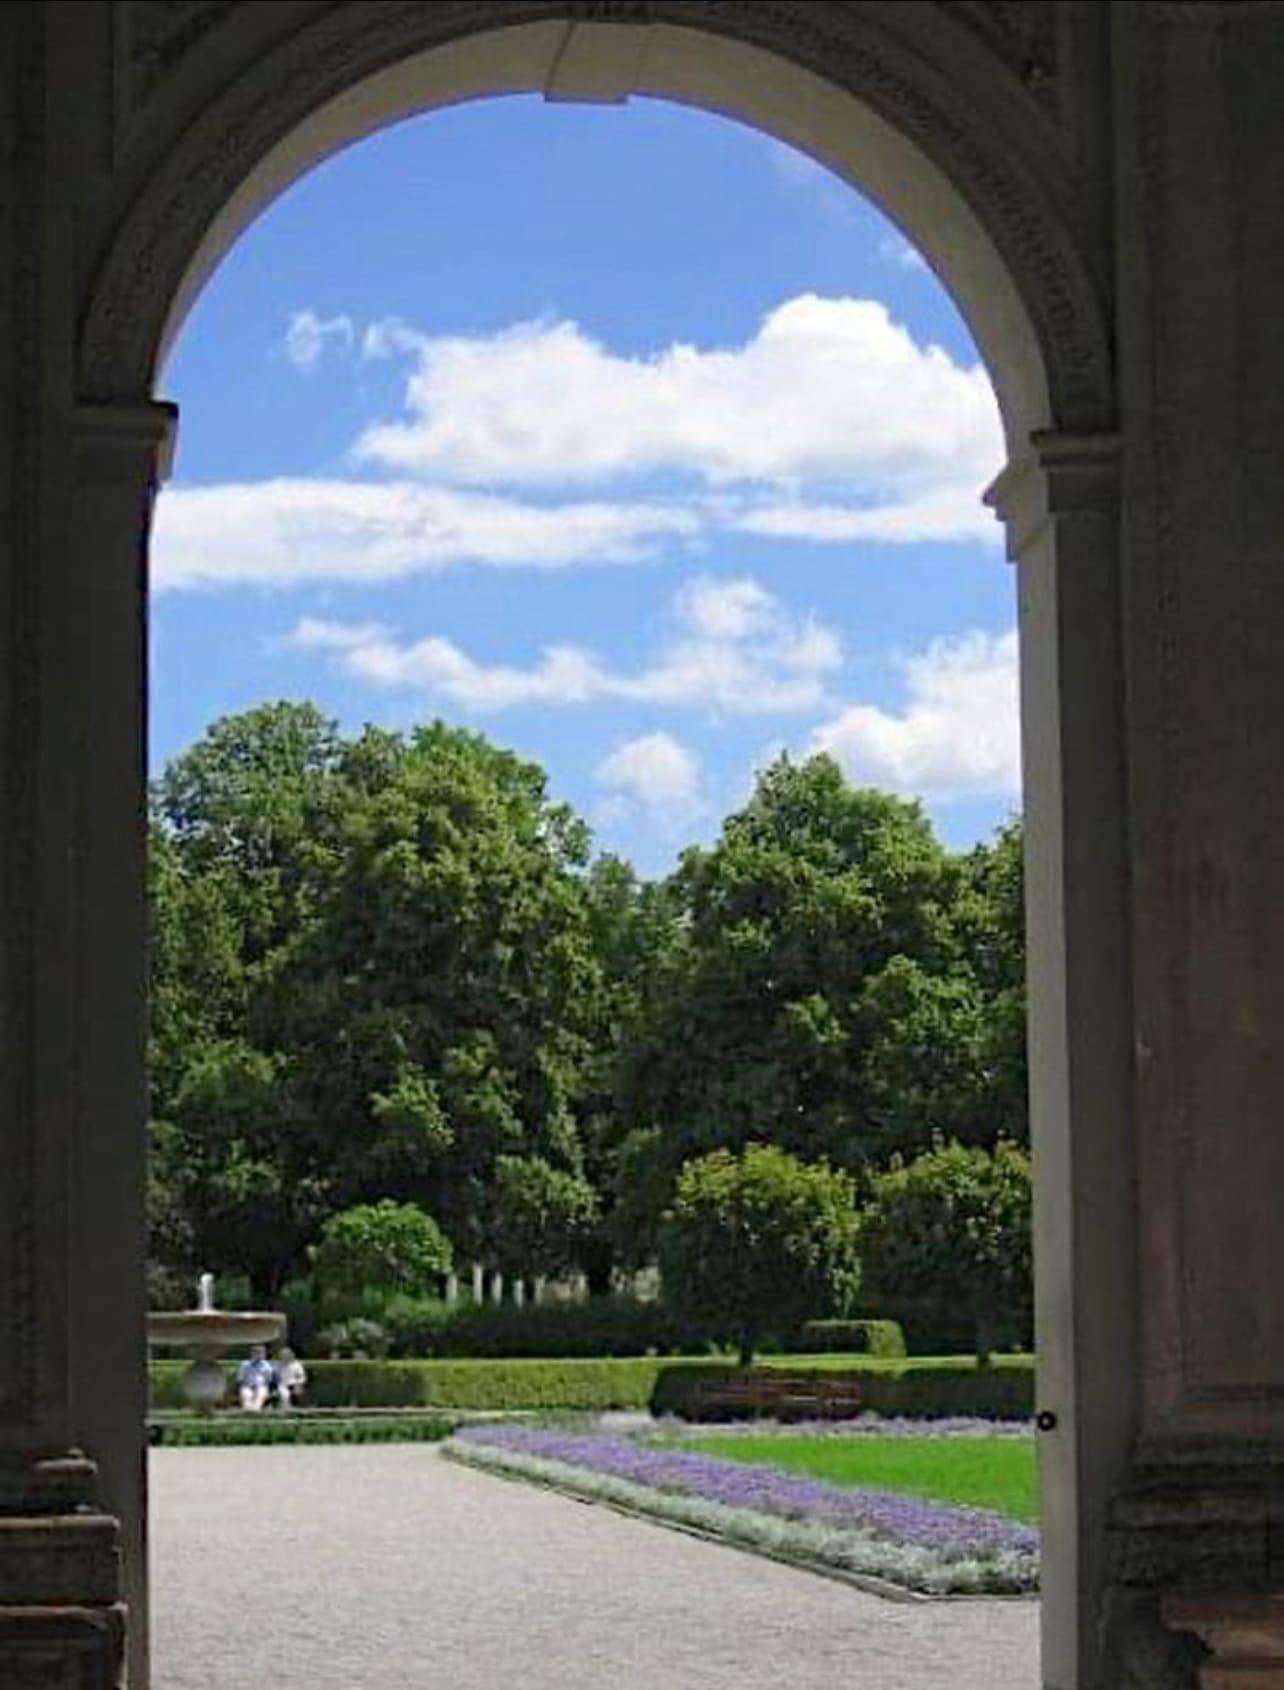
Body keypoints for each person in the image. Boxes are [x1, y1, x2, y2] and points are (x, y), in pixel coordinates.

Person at [236, 1345, 274, 1412]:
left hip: (261, 1386)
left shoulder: (267, 1365)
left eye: (261, 1353)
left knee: (259, 1395)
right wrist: (242, 1387)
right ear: (252, 1354)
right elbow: (240, 1378)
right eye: (256, 1352)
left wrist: (267, 1389)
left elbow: (269, 1380)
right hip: (247, 1386)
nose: (259, 1355)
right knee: (246, 1396)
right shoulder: (245, 1364)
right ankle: (247, 1408)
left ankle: (255, 1409)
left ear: (264, 1354)